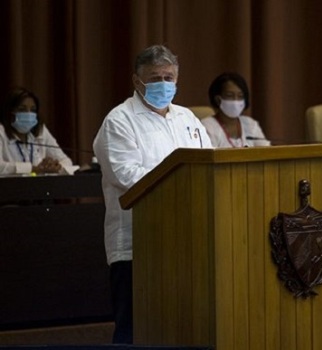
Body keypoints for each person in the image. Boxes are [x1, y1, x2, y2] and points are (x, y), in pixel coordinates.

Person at [93, 44, 213, 344]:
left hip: (189, 241)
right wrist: (184, 183)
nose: (163, 84)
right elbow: (128, 177)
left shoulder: (187, 118)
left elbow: (211, 163)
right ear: (137, 81)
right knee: (135, 329)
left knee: (183, 325)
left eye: (169, 77)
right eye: (155, 77)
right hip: (138, 244)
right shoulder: (119, 121)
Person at [0, 87, 74, 175]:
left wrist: (55, 166)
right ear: (10, 112)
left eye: (33, 110)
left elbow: (66, 161)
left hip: (40, 187)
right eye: (22, 109)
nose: (28, 114)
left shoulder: (41, 131)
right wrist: (33, 169)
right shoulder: (1, 132)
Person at [200, 72, 270, 148]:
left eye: (240, 96)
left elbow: (266, 152)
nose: (236, 100)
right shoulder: (207, 127)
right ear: (218, 99)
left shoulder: (251, 125)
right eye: (230, 95)